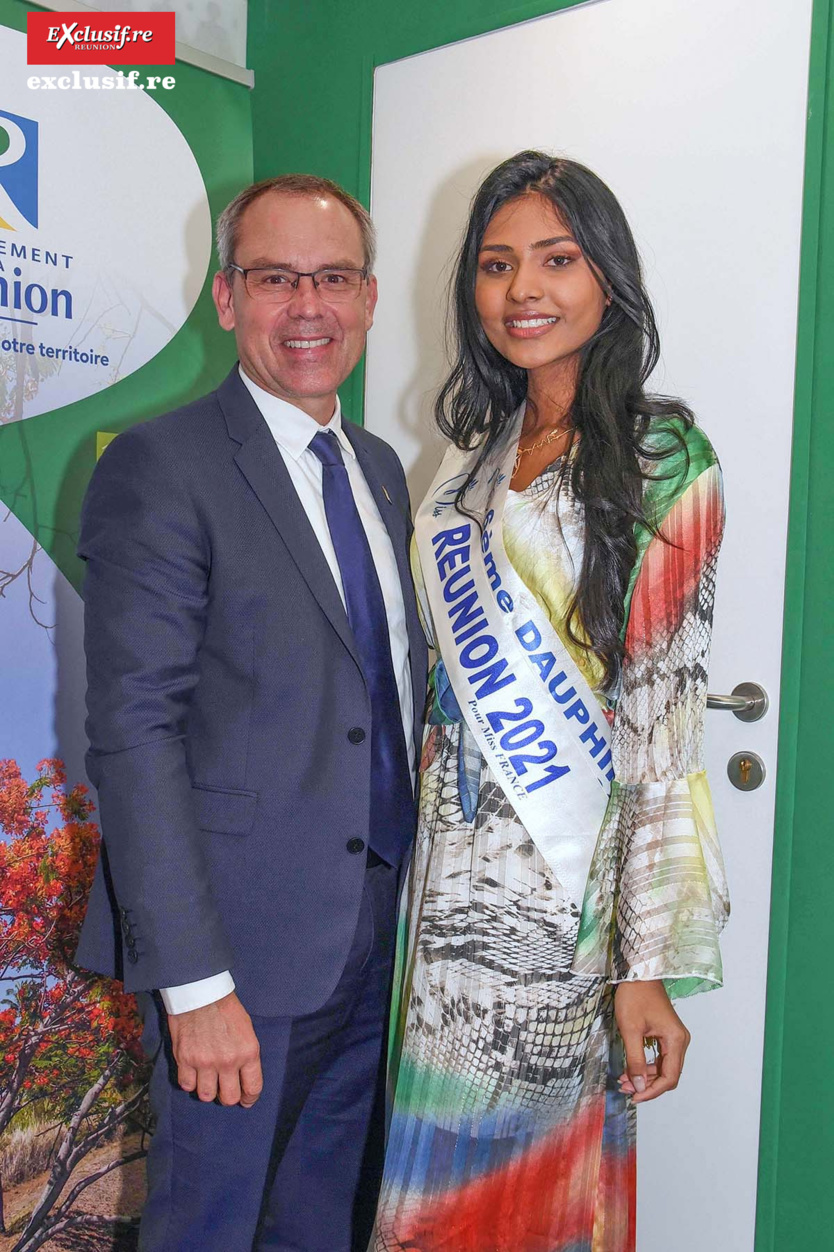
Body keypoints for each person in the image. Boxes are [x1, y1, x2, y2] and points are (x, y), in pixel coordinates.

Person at [372, 152, 729, 1251]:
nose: (523, 289)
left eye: (557, 259)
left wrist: (647, 964)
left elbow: (666, 718)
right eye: (495, 264)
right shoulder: (463, 465)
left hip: (568, 910)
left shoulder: (661, 453)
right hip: (443, 906)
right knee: (433, 1190)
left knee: (528, 1193)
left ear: (608, 279)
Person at [74, 174, 428, 1251]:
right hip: (240, 951)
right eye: (276, 278)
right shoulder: (160, 464)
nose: (307, 307)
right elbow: (134, 732)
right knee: (209, 1229)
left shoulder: (378, 469)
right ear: (226, 298)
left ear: (370, 299)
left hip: (374, 936)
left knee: (321, 1222)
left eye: (331, 279)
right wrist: (196, 984)